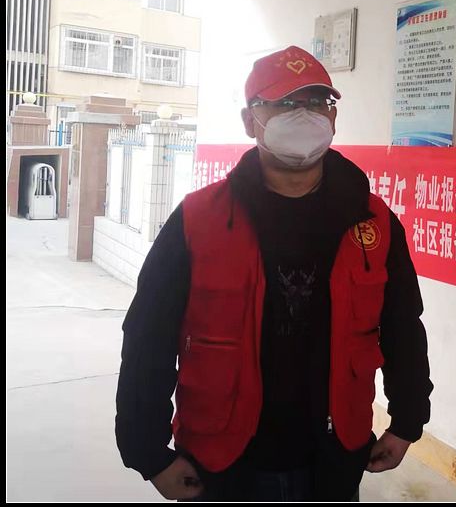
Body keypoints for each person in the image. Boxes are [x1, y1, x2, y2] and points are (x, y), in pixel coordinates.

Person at [116, 45, 433, 502]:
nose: (303, 115)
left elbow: (403, 327)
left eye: (317, 102)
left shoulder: (373, 222)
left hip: (333, 458)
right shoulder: (198, 219)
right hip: (222, 464)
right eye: (284, 103)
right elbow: (148, 336)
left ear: (333, 117)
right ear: (250, 121)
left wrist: (407, 421)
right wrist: (149, 453)